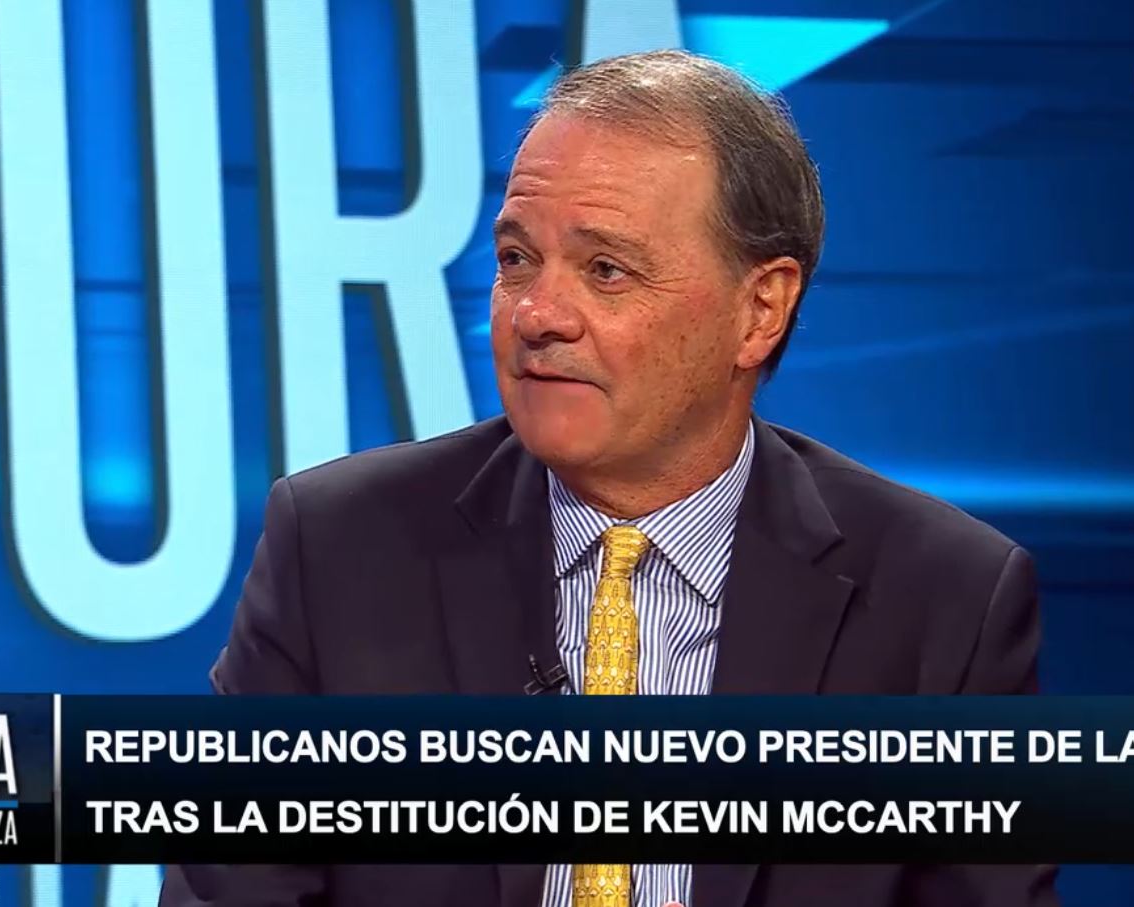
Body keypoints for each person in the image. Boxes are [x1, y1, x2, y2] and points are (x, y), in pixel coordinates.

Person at [162, 49, 1054, 907]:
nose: (537, 314)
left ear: (760, 309)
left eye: (606, 269)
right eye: (517, 260)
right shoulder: (340, 549)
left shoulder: (943, 601)